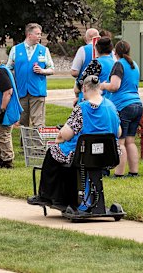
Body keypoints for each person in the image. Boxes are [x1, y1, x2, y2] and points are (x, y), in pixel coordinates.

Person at [27, 76, 121, 209]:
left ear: (84, 88)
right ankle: (77, 199)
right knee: (69, 155)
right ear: (99, 87)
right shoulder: (111, 106)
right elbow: (119, 132)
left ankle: (48, 196)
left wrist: (58, 140)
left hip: (83, 155)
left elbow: (65, 134)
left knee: (53, 152)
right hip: (108, 155)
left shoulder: (82, 108)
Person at [100, 41, 143, 177]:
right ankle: (134, 171)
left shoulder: (119, 64)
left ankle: (119, 173)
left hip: (123, 105)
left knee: (120, 141)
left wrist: (103, 85)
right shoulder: (134, 65)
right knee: (131, 141)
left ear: (115, 52)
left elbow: (114, 86)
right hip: (137, 104)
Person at [6, 23, 54, 130]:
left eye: (40, 34)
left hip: (37, 91)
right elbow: (8, 69)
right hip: (21, 91)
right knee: (23, 123)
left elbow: (52, 69)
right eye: (37, 34)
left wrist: (42, 71)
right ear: (29, 35)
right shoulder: (15, 50)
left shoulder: (44, 50)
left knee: (38, 122)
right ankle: (25, 146)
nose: (39, 37)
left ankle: (38, 146)